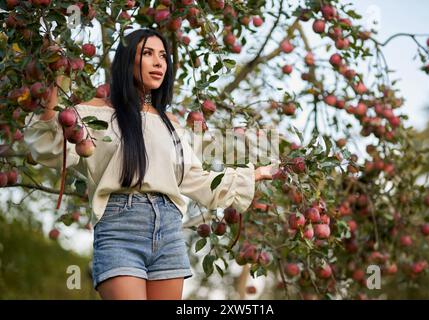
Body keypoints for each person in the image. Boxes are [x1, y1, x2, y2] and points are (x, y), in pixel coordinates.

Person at [23, 28, 277, 300]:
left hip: (169, 230)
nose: (159, 63)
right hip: (120, 226)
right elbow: (48, 143)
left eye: (163, 56)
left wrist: (257, 173)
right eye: (147, 54)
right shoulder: (93, 113)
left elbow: (197, 180)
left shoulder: (172, 126)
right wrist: (54, 74)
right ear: (127, 59)